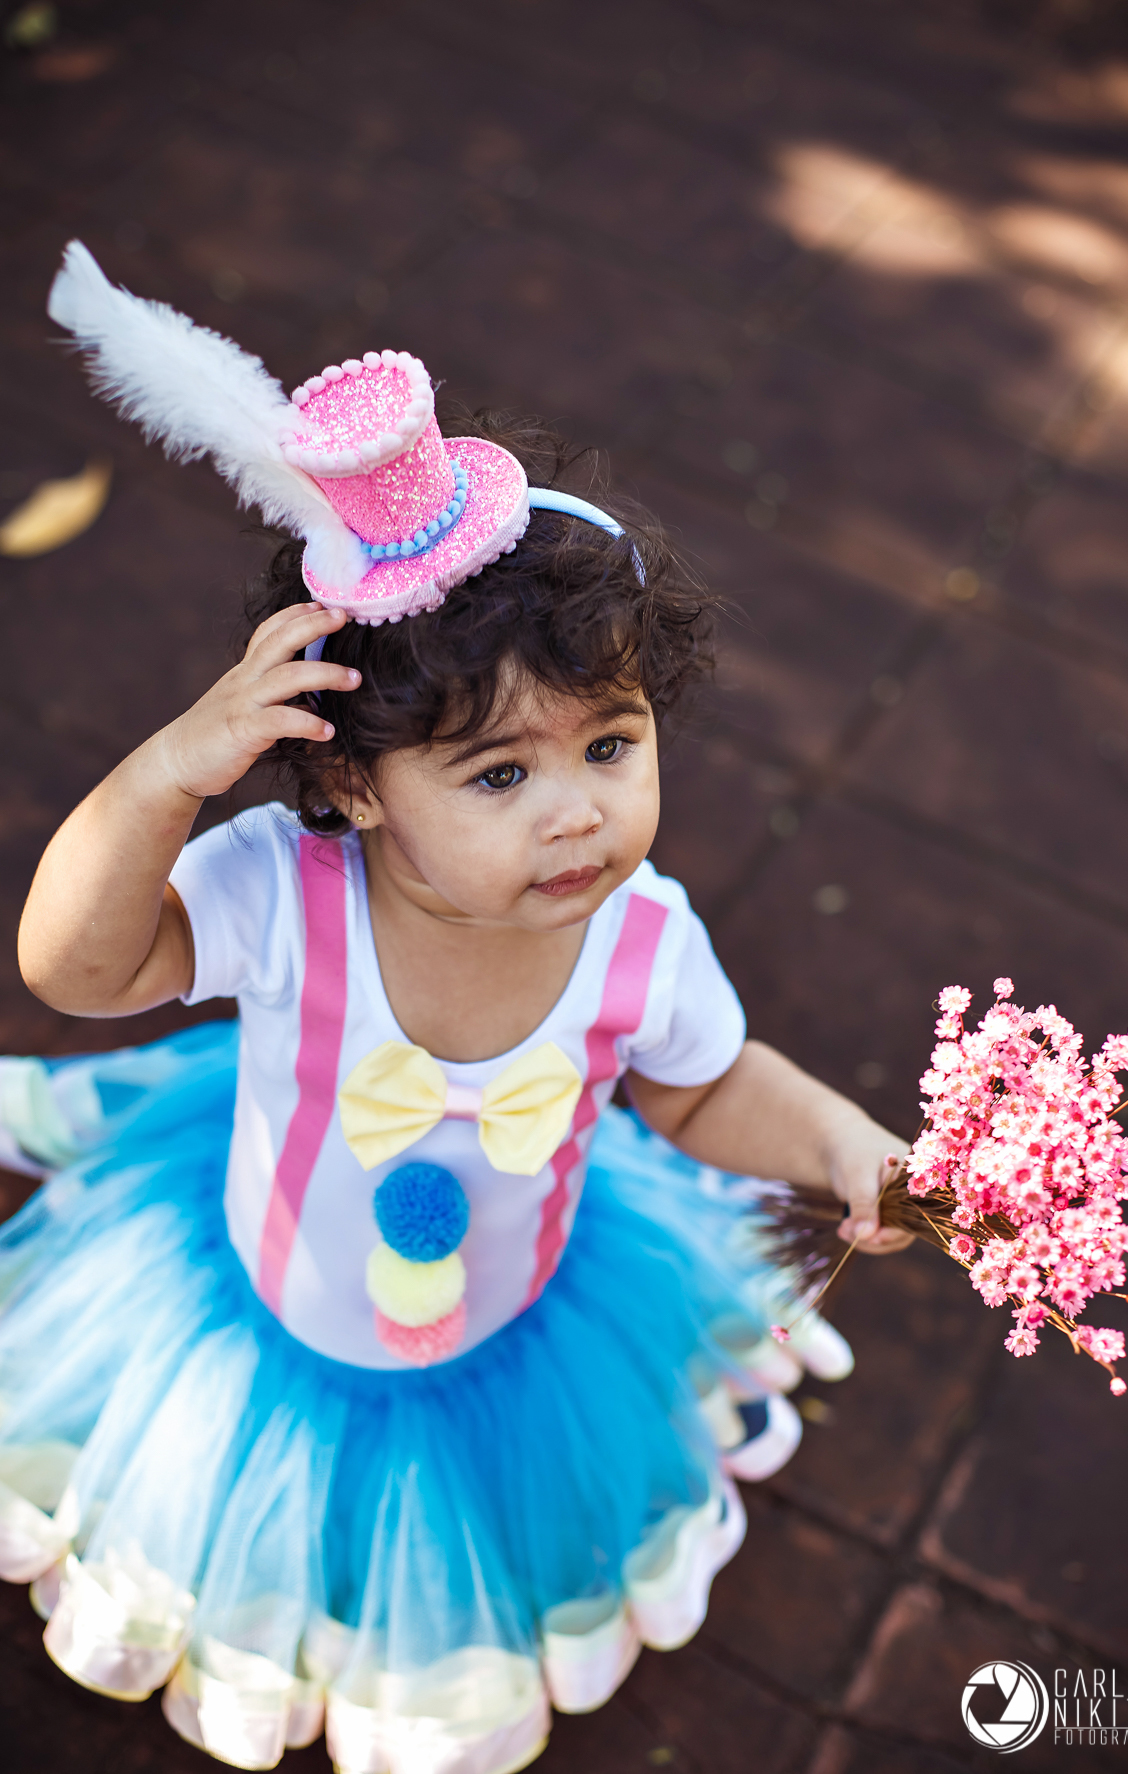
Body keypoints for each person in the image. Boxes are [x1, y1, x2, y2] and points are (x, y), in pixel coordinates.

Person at [0, 243, 910, 1774]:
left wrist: (840, 1139)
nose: (577, 815)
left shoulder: (641, 937)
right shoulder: (285, 890)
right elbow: (77, 971)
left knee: (462, 1535)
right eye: (501, 773)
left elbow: (697, 1090)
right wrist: (167, 773)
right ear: (352, 781)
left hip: (523, 1310)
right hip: (269, 1310)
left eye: (608, 746)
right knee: (282, 1517)